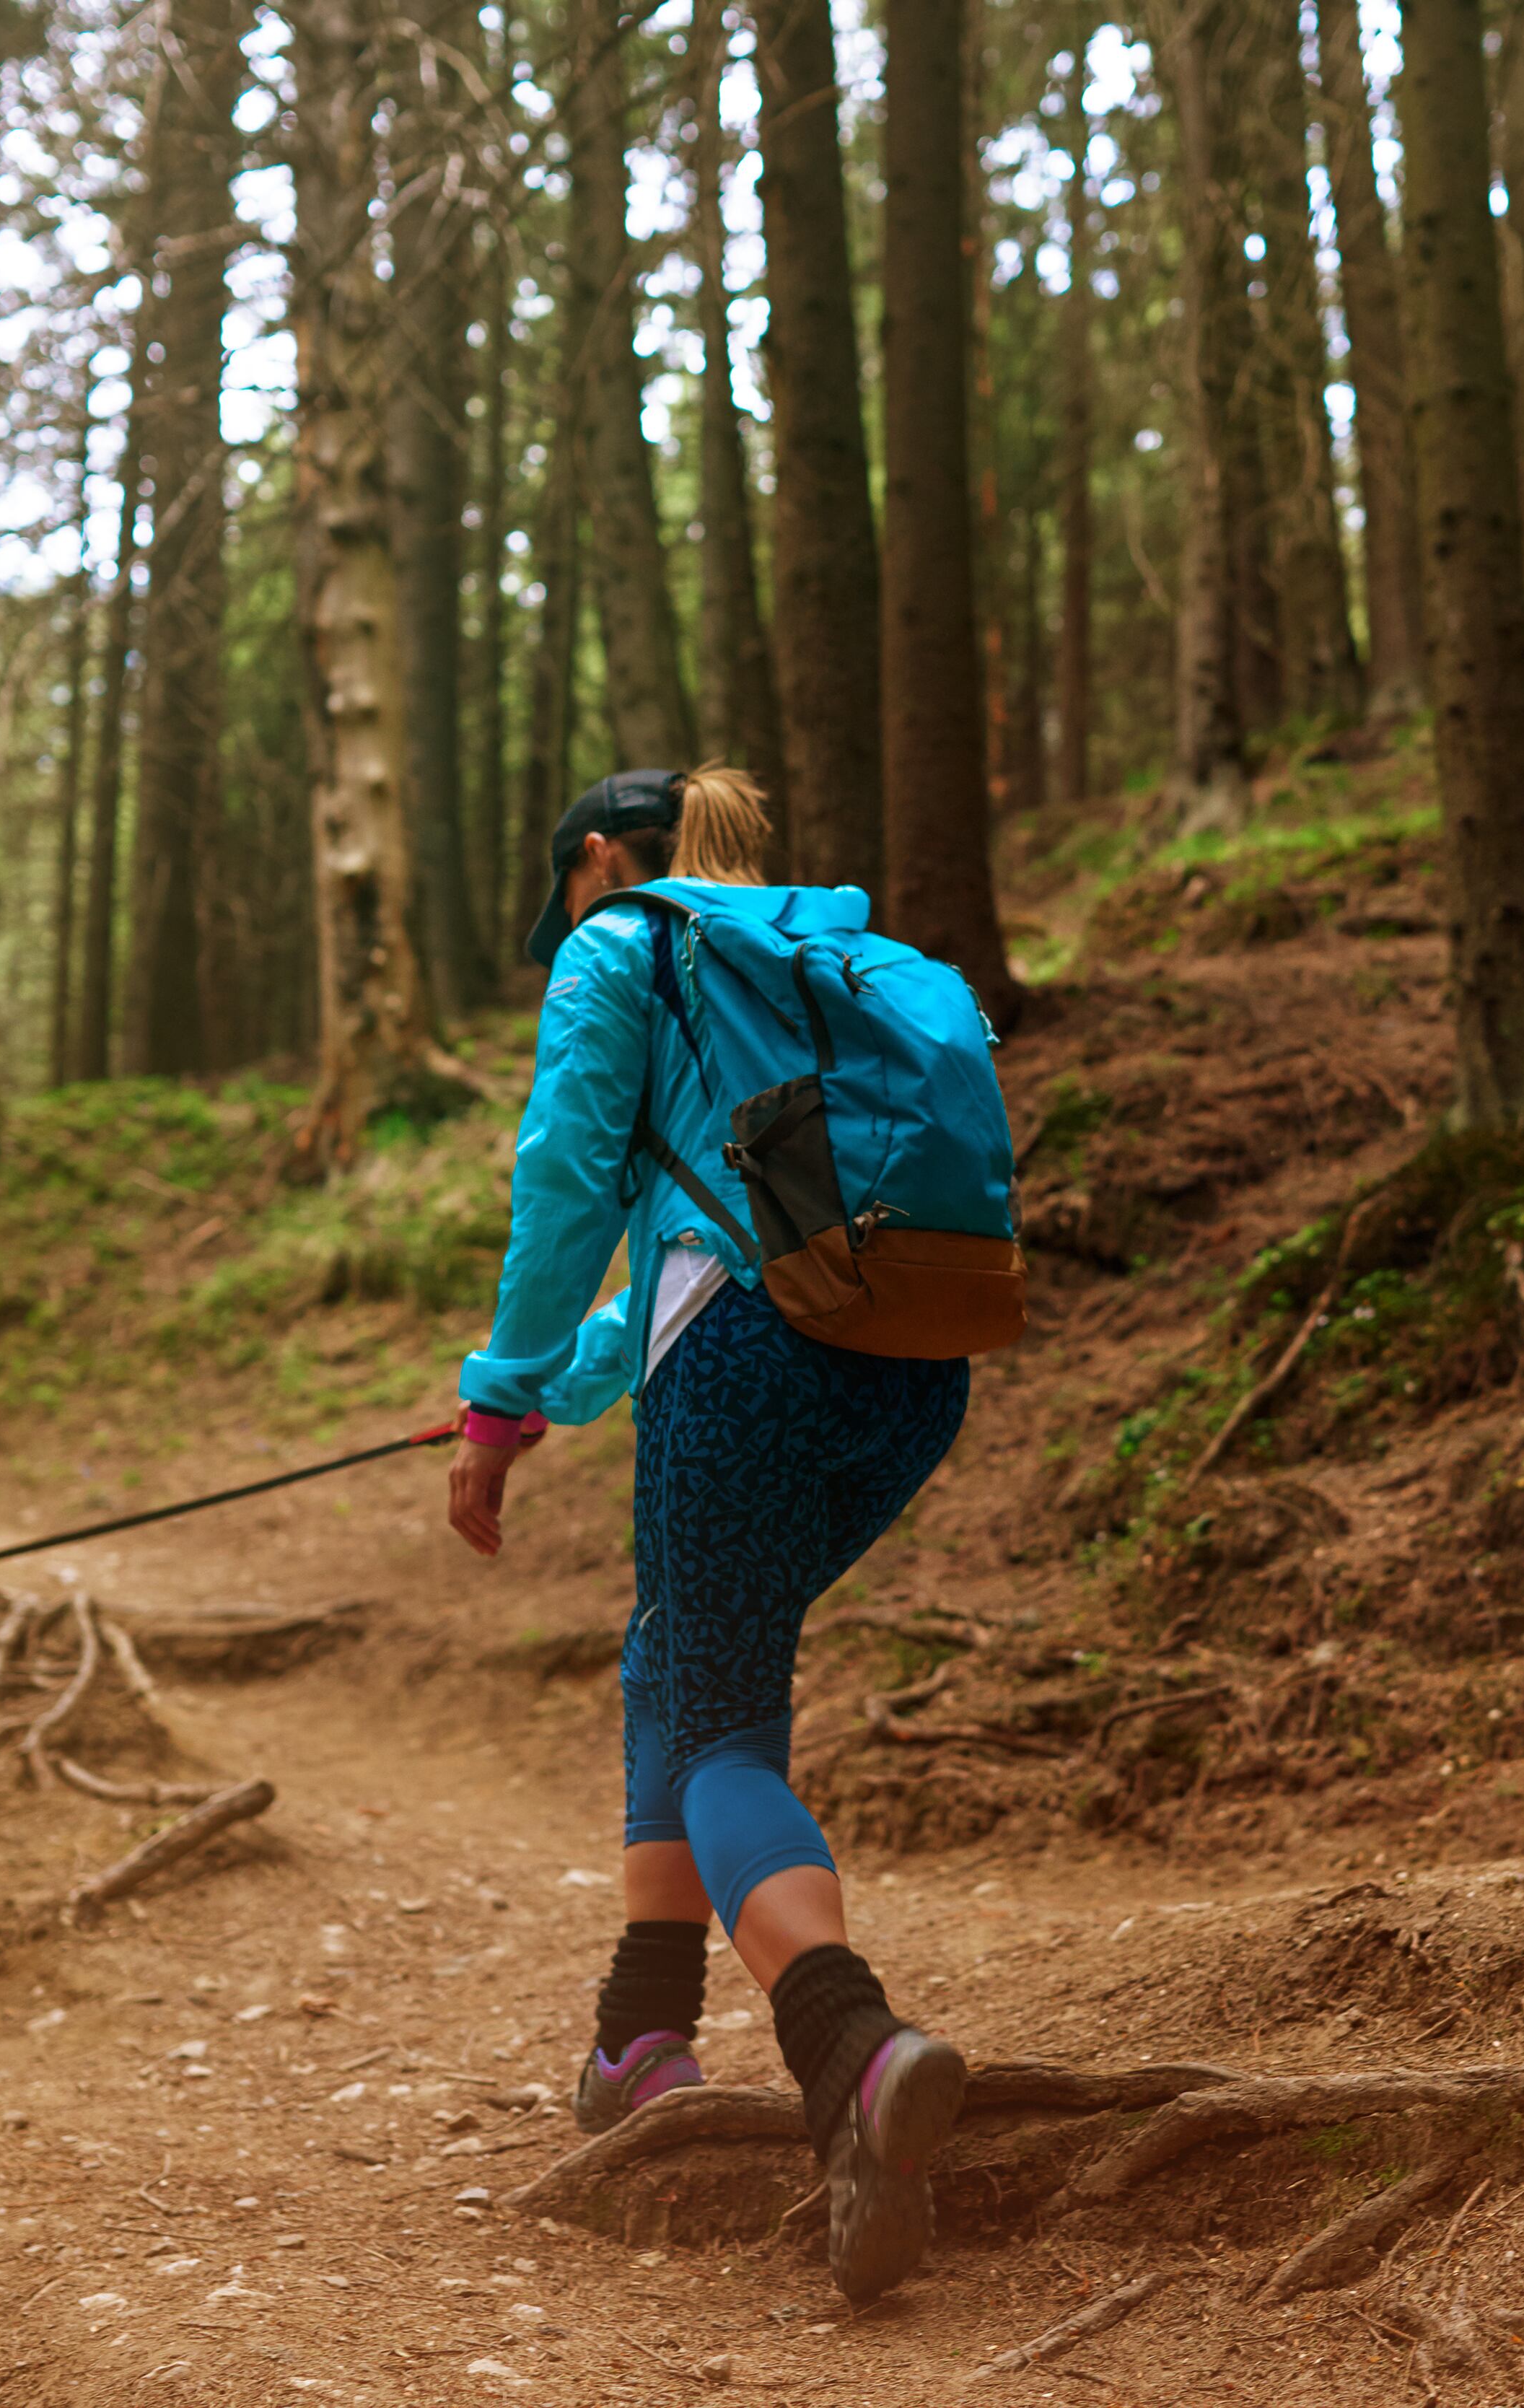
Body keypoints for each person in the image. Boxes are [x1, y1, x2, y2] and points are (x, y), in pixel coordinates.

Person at [447, 765, 973, 2306]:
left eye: (571, 890)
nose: (573, 916)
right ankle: (642, 2035)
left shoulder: (627, 944)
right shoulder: (834, 955)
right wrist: (564, 1382)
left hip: (741, 1368)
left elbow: (567, 1182)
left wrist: (497, 1397)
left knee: (722, 1716)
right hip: (909, 1367)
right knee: (680, 1647)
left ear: (603, 859)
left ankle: (850, 2049)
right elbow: (735, 1228)